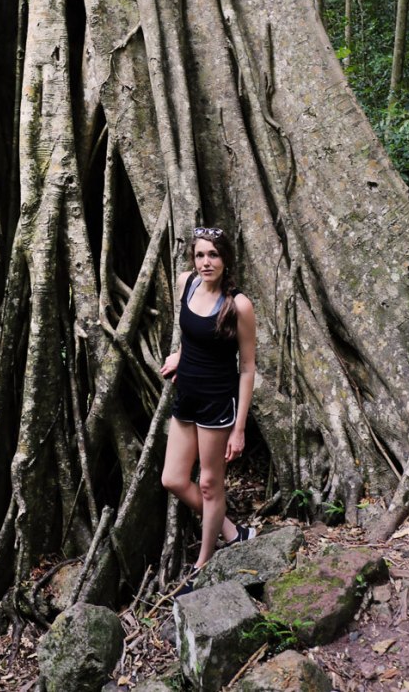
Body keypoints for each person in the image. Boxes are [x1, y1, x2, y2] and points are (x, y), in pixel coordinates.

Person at [160, 225, 257, 581]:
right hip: (186, 394)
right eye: (200, 255)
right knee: (172, 478)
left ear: (226, 259)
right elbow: (192, 333)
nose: (206, 262)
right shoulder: (186, 282)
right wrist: (179, 355)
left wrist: (239, 428)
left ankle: (204, 561)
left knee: (209, 485)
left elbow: (246, 367)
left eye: (213, 255)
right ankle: (231, 530)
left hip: (218, 403)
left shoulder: (239, 305)